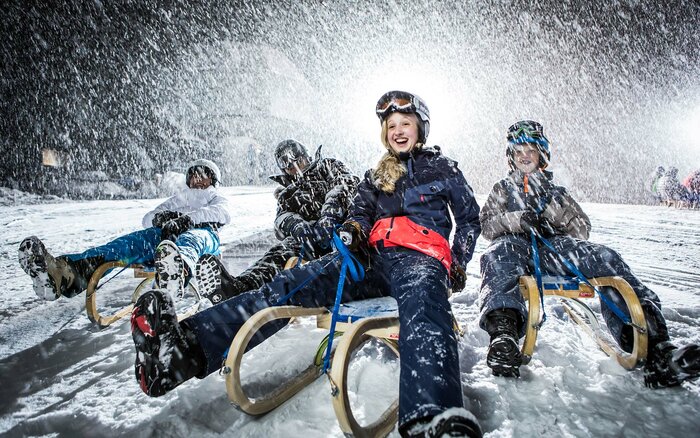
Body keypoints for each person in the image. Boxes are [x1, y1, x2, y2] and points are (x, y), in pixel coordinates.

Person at [129, 91, 483, 437]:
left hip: (421, 258)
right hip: (370, 260)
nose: (398, 130)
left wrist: (458, 261)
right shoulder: (376, 175)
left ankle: (432, 416)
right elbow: (359, 212)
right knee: (290, 284)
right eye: (391, 125)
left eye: (405, 122)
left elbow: (469, 219)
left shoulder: (443, 167)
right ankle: (181, 352)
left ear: (420, 128)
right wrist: (352, 231)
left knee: (423, 308)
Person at [477, 120, 700, 387]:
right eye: (519, 151)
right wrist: (518, 220)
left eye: (531, 151)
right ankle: (504, 335)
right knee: (497, 256)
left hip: (553, 248)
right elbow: (487, 225)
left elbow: (582, 229)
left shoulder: (555, 192)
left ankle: (656, 349)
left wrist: (552, 215)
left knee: (605, 257)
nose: (525, 156)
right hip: (514, 247)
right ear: (511, 157)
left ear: (541, 155)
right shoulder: (502, 189)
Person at [18, 159, 230, 301]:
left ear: (212, 180)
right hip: (166, 237)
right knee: (126, 244)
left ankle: (176, 273)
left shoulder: (215, 197)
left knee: (191, 240)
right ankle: (65, 274)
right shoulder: (178, 199)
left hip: (204, 236)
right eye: (194, 176)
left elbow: (222, 213)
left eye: (203, 176)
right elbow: (147, 219)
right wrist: (161, 218)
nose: (198, 180)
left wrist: (187, 220)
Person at [197, 139, 359, 304]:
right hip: (310, 241)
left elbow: (347, 184)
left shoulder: (326, 166)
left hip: (342, 232)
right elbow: (280, 221)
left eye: (299, 161)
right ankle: (239, 287)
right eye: (289, 166)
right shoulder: (287, 195)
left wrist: (330, 214)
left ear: (307, 157)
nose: (296, 168)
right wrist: (295, 224)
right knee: (280, 252)